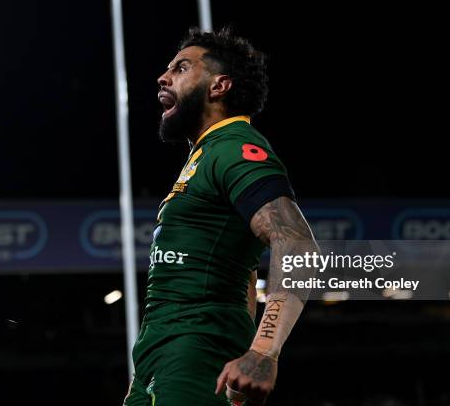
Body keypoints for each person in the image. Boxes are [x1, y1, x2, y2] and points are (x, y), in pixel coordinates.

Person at [123, 27, 319, 406]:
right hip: (161, 362)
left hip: (193, 358)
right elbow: (242, 270)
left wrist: (263, 352)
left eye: (181, 68)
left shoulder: (234, 148)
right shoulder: (204, 155)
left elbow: (297, 244)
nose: (163, 78)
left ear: (219, 86)